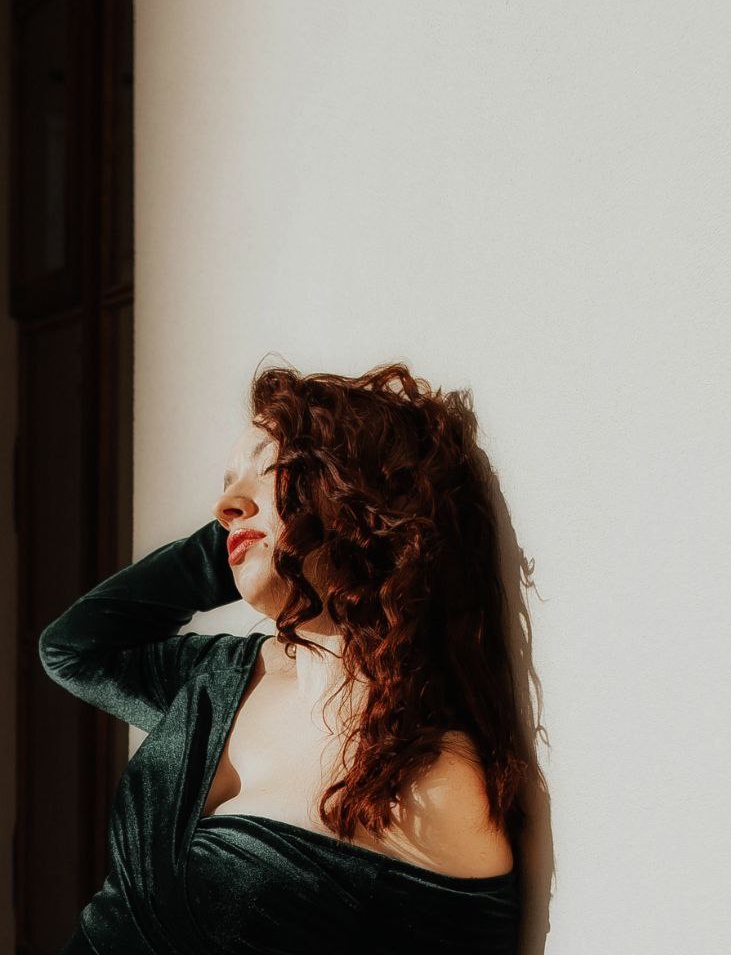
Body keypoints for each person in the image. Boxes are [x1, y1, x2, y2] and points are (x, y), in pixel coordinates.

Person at [40, 361, 527, 954]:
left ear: (350, 493)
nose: (223, 505)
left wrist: (305, 530)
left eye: (269, 470)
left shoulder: (425, 778)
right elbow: (74, 648)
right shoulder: (221, 677)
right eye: (228, 484)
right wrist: (249, 532)